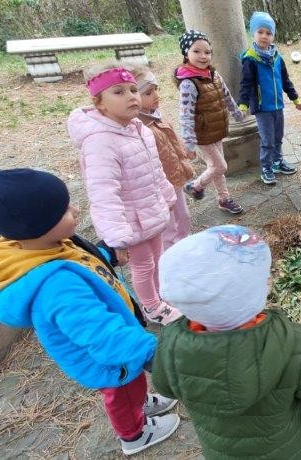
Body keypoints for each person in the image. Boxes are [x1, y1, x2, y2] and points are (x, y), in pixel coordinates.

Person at [0, 169, 179, 456]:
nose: (76, 209)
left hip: (116, 344)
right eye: (64, 211)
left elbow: (80, 259)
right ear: (37, 225)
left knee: (132, 387)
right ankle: (134, 434)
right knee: (122, 394)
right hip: (110, 357)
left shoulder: (39, 245)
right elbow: (101, 333)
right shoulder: (56, 286)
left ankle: (140, 401)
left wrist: (104, 254)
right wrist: (152, 354)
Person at [151, 225, 301, 459]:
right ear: (252, 295)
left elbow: (164, 386)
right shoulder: (295, 345)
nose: (270, 279)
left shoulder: (171, 343)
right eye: (265, 278)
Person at [67, 64, 181, 324]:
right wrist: (116, 237)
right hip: (132, 221)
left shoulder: (138, 129)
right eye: (118, 92)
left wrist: (167, 195)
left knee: (158, 257)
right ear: (100, 104)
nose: (131, 96)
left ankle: (161, 295)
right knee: (143, 264)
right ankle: (152, 307)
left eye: (133, 90)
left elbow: (154, 169)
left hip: (150, 210)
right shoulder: (100, 141)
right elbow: (103, 193)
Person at [174, 29, 246, 214]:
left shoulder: (213, 75)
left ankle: (224, 199)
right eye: (196, 51)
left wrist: (236, 113)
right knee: (220, 166)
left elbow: (227, 96)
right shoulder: (188, 83)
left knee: (216, 168)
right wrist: (189, 142)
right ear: (186, 53)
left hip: (217, 130)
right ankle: (195, 186)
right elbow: (185, 114)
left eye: (207, 52)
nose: (203, 56)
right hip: (202, 134)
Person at [127, 64, 196, 246]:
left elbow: (169, 139)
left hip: (175, 178)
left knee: (185, 217)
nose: (156, 95)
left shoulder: (155, 115)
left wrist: (184, 151)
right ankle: (172, 254)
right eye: (148, 93)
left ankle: (184, 245)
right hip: (160, 186)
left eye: (156, 89)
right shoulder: (138, 127)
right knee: (169, 226)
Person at [239, 12, 301, 185]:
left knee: (278, 137)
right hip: (262, 108)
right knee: (267, 140)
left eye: (268, 33)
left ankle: (277, 162)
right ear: (253, 33)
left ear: (273, 35)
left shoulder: (277, 57)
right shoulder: (250, 59)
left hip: (277, 106)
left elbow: (285, 80)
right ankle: (266, 168)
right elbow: (245, 83)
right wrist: (243, 104)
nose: (264, 36)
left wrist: (295, 98)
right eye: (260, 32)